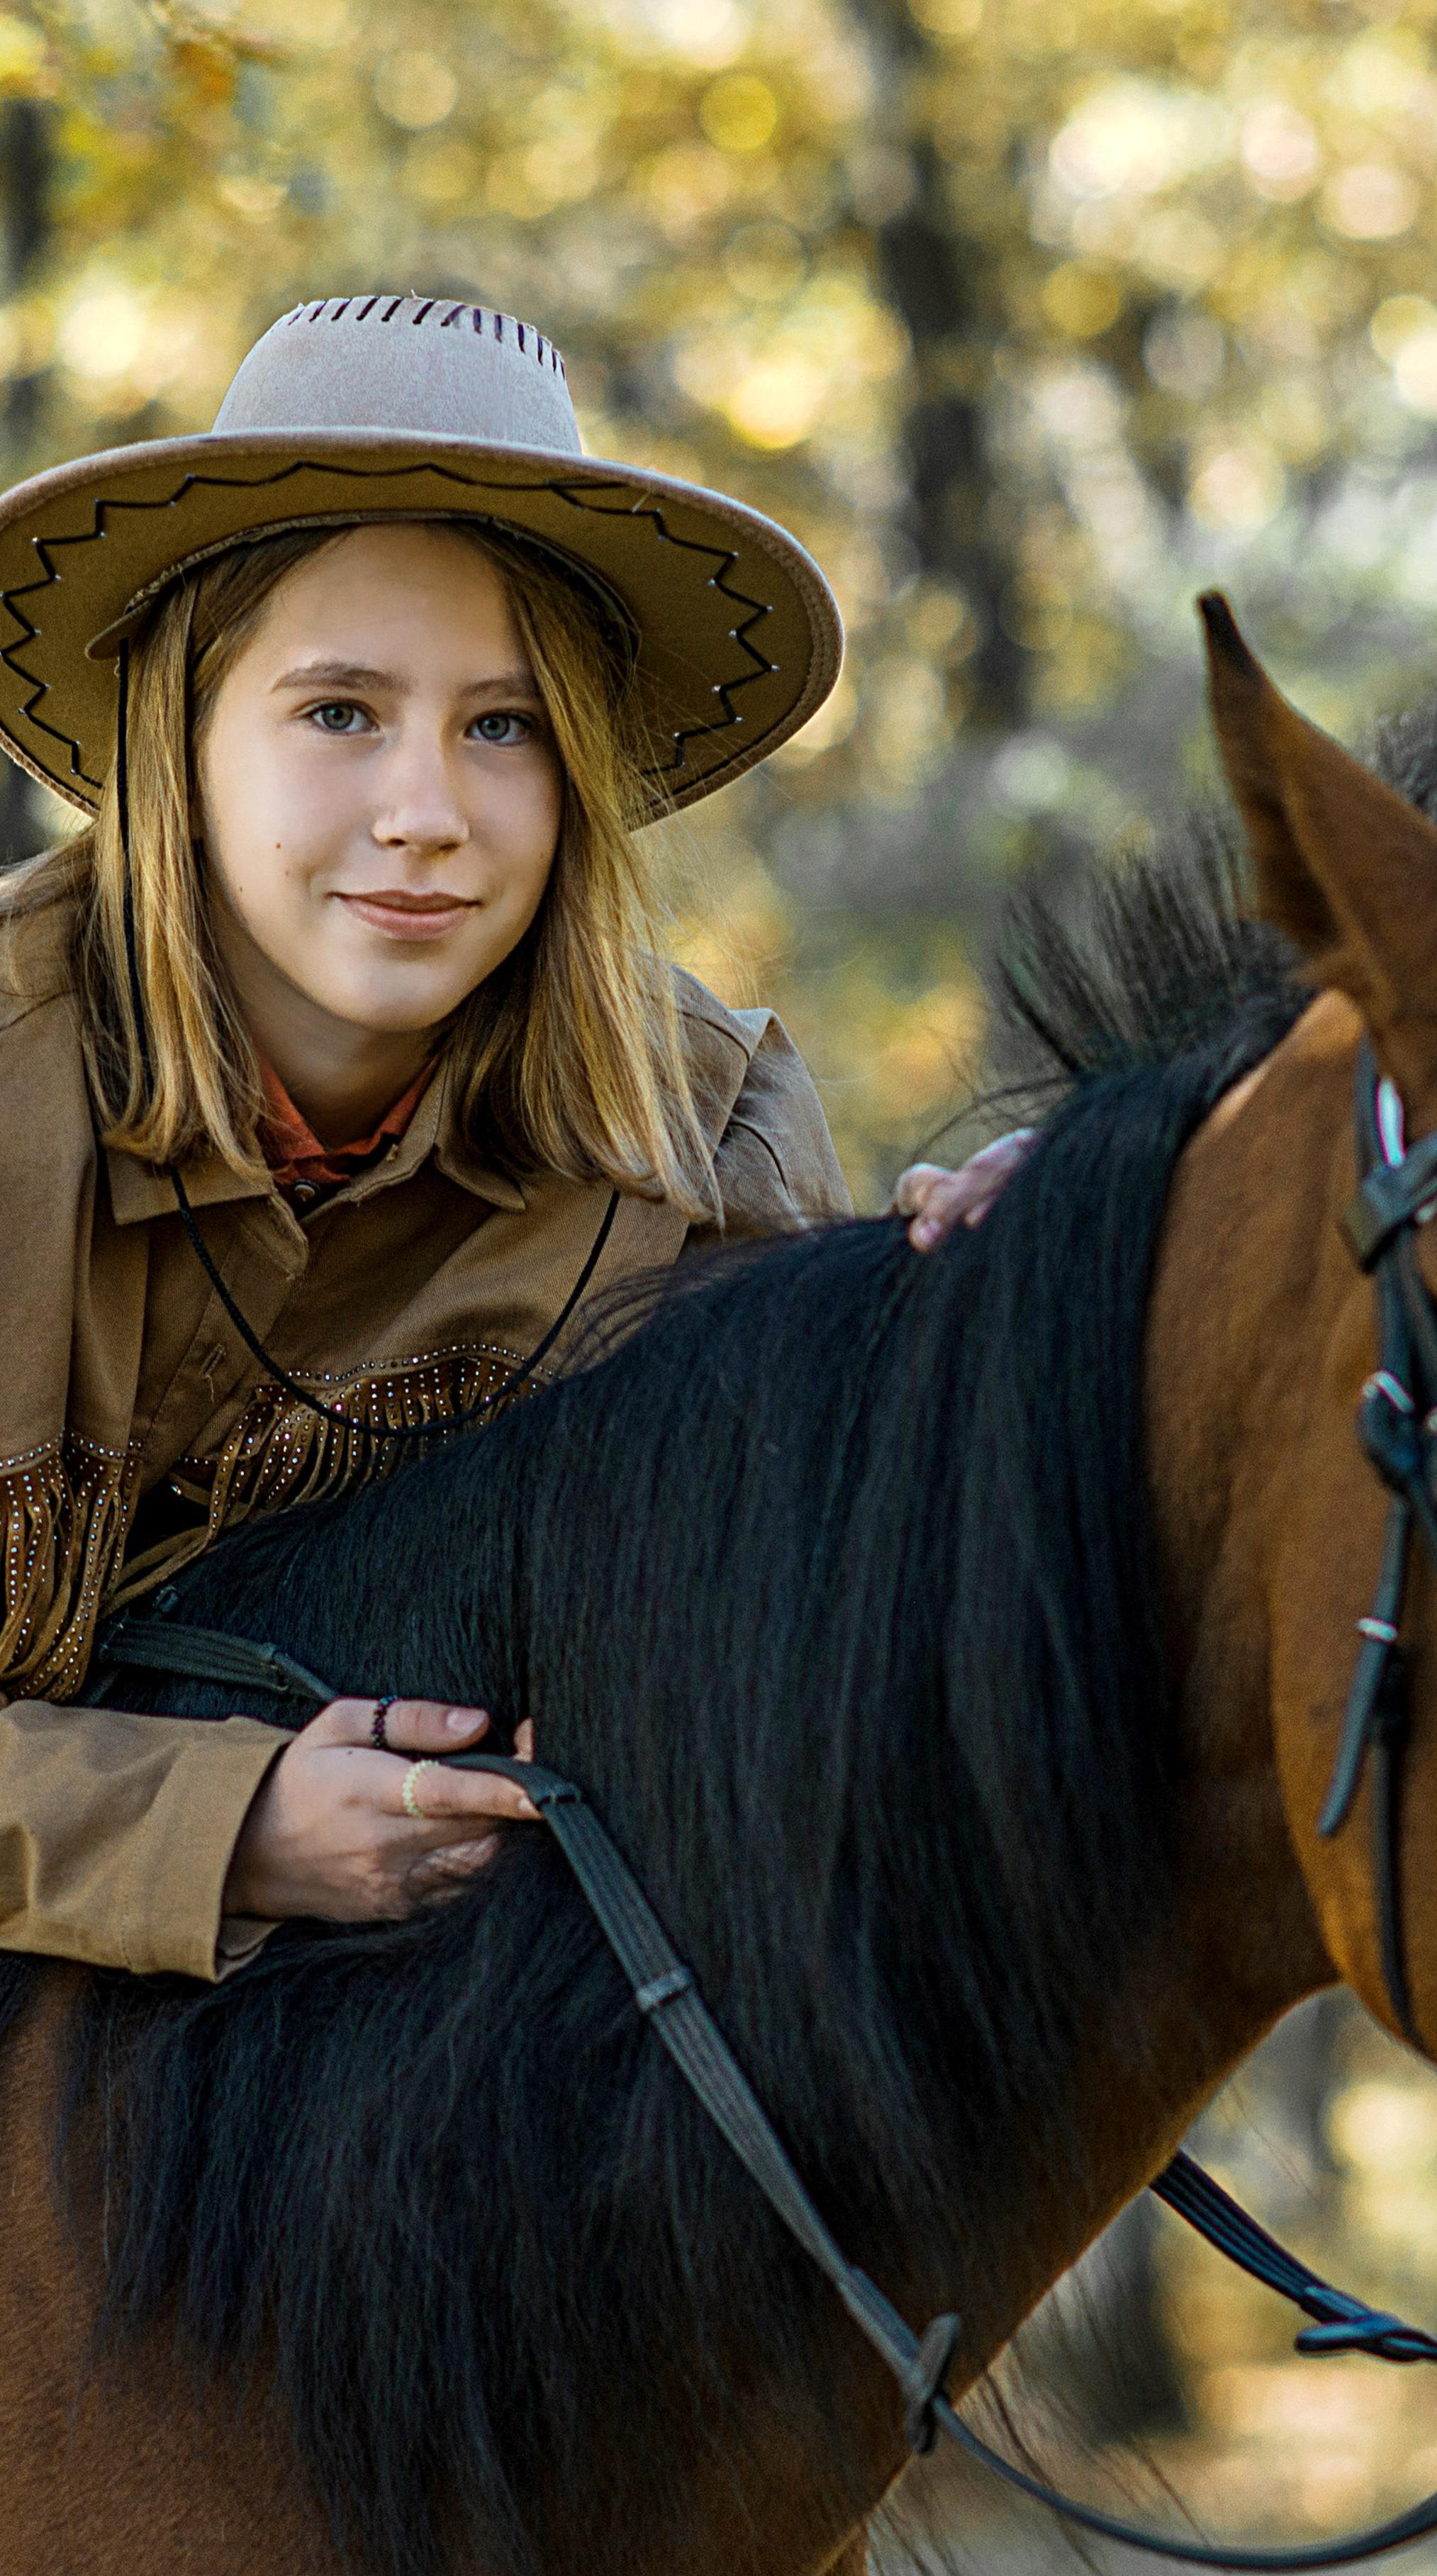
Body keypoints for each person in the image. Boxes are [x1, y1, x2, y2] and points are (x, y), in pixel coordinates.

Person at [0, 290, 1014, 1982]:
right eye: (338, 712)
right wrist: (219, 1822)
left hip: (382, 2099)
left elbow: (821, 1638)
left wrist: (1019, 1289)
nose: (427, 813)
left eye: (505, 724)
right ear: (179, 742)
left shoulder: (698, 1140)